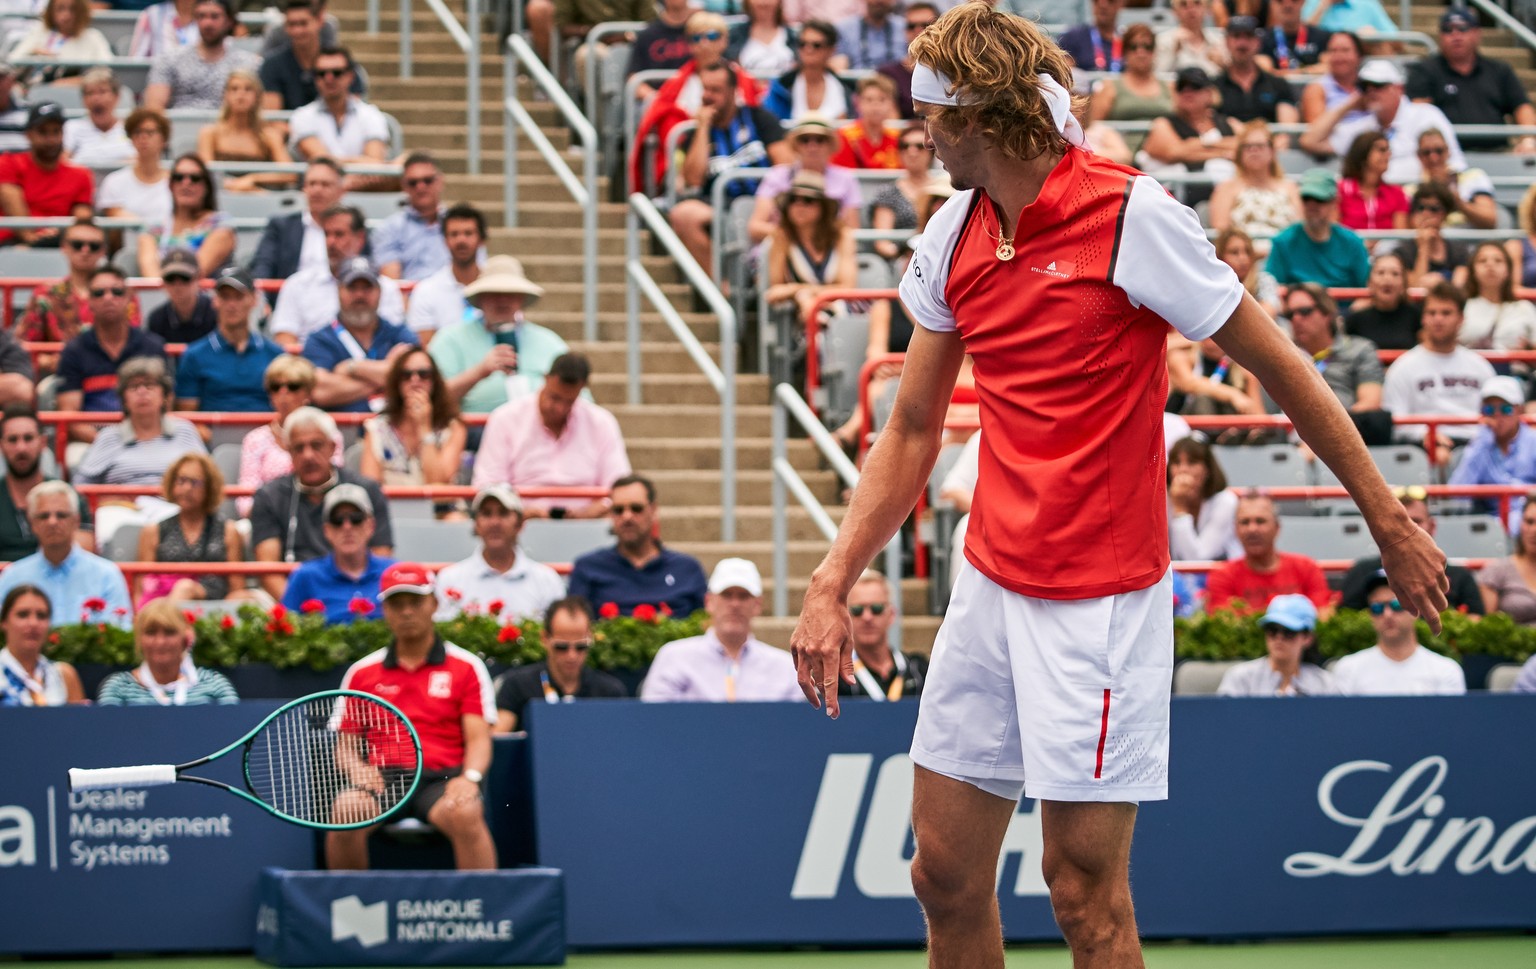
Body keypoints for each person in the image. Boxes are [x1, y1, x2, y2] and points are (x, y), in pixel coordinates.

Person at [790, 11, 1445, 969]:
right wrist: (830, 579)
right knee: (943, 875)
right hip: (990, 582)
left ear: (984, 116)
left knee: (1085, 897)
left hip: (1100, 601)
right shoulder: (951, 231)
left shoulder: (1134, 216)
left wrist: (1386, 517)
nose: (917, 132)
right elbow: (915, 427)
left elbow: (1284, 367)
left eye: (932, 112)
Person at [327, 562, 498, 871]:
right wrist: (357, 770)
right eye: (397, 604)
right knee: (345, 810)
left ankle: (481, 911)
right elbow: (345, 745)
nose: (407, 612)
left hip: (443, 778)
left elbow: (479, 739)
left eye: (415, 602)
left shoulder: (467, 666)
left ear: (434, 603)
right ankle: (348, 914)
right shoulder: (361, 673)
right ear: (385, 611)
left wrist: (469, 779)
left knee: (465, 811)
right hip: (383, 780)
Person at [250, 407, 393, 598]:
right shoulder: (268, 496)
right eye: (299, 448)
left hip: (358, 595)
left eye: (316, 445)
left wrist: (354, 606)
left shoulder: (367, 490)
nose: (307, 455)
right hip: (295, 598)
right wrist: (303, 611)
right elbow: (268, 570)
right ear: (288, 451)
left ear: (333, 447)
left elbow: (381, 555)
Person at [471, 353, 631, 518]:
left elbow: (620, 488)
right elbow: (488, 486)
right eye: (555, 398)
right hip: (518, 524)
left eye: (569, 401)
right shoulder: (505, 419)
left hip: (589, 523)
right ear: (546, 379)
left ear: (581, 390)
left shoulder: (601, 422)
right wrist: (521, 513)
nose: (560, 408)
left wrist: (596, 509)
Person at [662, 61, 788, 270]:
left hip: (765, 204)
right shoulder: (695, 132)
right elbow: (693, 180)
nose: (708, 96)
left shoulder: (759, 118)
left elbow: (786, 165)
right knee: (683, 215)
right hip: (720, 206)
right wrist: (703, 128)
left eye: (716, 90)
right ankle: (722, 291)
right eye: (705, 89)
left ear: (732, 91)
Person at [643, 557, 800, 701]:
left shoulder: (785, 668)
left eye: (743, 596)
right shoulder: (673, 658)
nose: (735, 604)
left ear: (757, 605)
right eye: (726, 595)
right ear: (709, 601)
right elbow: (654, 720)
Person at [430, 255, 569, 415]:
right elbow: (431, 398)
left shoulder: (549, 343)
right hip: (472, 434)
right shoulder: (450, 340)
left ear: (521, 298)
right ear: (480, 298)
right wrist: (479, 373)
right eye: (494, 293)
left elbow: (579, 396)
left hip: (540, 432)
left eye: (510, 293)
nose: (502, 300)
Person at [1301, 59, 1464, 185]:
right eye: (1365, 87)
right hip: (1376, 204)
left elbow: (1455, 165)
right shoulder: (1363, 126)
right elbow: (1310, 141)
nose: (1371, 92)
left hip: (1420, 196)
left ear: (1398, 89)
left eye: (1378, 86)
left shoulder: (1427, 115)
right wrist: (1349, 104)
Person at [13, 219, 142, 377]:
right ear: (64, 247)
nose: (85, 250)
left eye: (93, 246)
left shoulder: (121, 293)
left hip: (110, 375)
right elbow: (22, 346)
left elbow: (133, 341)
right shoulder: (45, 294)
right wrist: (46, 360)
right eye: (77, 244)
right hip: (58, 377)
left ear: (103, 251)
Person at [566, 475, 707, 617]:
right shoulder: (588, 568)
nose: (627, 516)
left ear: (653, 510)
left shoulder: (687, 568)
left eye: (636, 508)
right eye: (618, 510)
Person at [1381, 282, 1496, 457]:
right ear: (1423, 318)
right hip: (1423, 447)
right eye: (1432, 313)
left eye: (1446, 313)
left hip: (1477, 447)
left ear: (1461, 319)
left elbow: (1495, 415)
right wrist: (1425, 435)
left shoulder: (1480, 366)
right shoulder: (1403, 367)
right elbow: (1396, 421)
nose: (1438, 319)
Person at [54, 268, 169, 440]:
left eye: (117, 291)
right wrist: (108, 444)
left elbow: (166, 405)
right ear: (89, 301)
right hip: (92, 441)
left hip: (148, 436)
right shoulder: (74, 351)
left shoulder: (153, 346)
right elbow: (71, 418)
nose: (108, 298)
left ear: (129, 297)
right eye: (99, 293)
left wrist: (138, 440)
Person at [1406, 7, 1536, 155]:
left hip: (1497, 152)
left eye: (1463, 28)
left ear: (1477, 33)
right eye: (1448, 29)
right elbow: (1418, 114)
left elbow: (1522, 106)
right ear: (1440, 35)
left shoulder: (1499, 70)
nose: (1456, 35)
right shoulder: (1424, 71)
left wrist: (1528, 140)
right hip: (1445, 156)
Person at [0, 481, 131, 626]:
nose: (52, 522)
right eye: (44, 516)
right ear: (32, 523)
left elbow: (120, 634)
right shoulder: (12, 577)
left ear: (76, 520)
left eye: (61, 515)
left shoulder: (107, 575)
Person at [270, 207, 406, 346]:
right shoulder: (297, 284)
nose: (331, 242)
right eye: (326, 234)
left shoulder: (387, 288)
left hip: (374, 362)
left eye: (339, 234)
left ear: (360, 238)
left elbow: (394, 340)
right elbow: (284, 340)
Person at [1339, 486, 1486, 613]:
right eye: (1400, 522)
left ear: (1432, 526)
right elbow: (1345, 625)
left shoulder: (1461, 577)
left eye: (1416, 521)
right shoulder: (1360, 572)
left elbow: (1476, 623)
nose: (1408, 530)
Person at [433, 485, 566, 624]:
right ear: (475, 524)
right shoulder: (449, 579)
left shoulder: (547, 580)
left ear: (520, 523)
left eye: (503, 513)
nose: (494, 522)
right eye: (486, 513)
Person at [493, 596, 627, 732]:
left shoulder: (609, 692)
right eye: (561, 647)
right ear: (545, 639)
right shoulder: (517, 685)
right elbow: (499, 738)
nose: (572, 655)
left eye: (581, 647)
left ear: (590, 639)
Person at [303, 257, 420, 413]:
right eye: (352, 288)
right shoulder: (319, 339)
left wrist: (352, 367)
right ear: (338, 291)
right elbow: (319, 392)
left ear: (380, 291)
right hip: (340, 432)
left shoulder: (399, 333)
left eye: (367, 288)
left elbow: (416, 378)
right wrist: (389, 379)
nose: (360, 295)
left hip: (395, 430)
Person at [74, 356, 207, 487]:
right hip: (122, 507)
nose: (142, 392)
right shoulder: (109, 437)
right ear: (123, 400)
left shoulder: (185, 430)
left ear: (165, 396)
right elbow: (81, 485)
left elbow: (207, 478)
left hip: (178, 506)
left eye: (149, 386)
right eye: (133, 387)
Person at [136, 452, 247, 604]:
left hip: (214, 610)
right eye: (181, 480)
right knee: (184, 588)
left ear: (209, 487)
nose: (187, 488)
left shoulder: (228, 531)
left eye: (195, 482)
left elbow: (237, 588)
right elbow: (141, 589)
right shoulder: (154, 531)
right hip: (165, 611)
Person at [236, 355, 342, 514]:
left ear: (308, 392)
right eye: (275, 387)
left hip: (319, 516)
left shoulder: (329, 434)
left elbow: (334, 484)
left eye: (293, 386)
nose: (283, 393)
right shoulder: (255, 439)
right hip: (267, 518)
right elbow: (245, 501)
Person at [1276, 283, 1386, 434]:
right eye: (1290, 314)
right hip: (1289, 443)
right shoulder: (1283, 356)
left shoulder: (1360, 350)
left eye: (1305, 311)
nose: (1296, 319)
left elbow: (1370, 403)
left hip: (1347, 436)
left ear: (1327, 312)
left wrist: (1322, 434)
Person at [1335, 572, 1467, 695]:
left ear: (1417, 608)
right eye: (1377, 607)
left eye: (1397, 605)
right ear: (1370, 614)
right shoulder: (1348, 669)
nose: (1387, 614)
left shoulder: (1446, 670)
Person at [174, 265, 284, 412]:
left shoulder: (275, 355)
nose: (231, 305)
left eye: (239, 297)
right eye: (225, 297)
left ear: (254, 299)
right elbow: (188, 418)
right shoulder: (193, 356)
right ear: (215, 301)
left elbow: (286, 410)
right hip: (212, 434)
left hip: (264, 432)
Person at [281, 484, 395, 624]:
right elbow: (284, 630)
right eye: (337, 520)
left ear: (370, 526)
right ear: (326, 530)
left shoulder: (393, 573)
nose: (347, 527)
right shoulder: (305, 576)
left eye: (356, 518)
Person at [359, 349, 466, 492]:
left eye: (424, 374)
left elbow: (439, 486)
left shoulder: (453, 427)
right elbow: (371, 488)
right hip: (392, 510)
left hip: (440, 511)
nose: (415, 381)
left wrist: (424, 427)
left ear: (435, 381)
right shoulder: (376, 428)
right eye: (406, 375)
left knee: (455, 516)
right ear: (397, 382)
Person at [1205, 493, 1333, 614]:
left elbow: (1322, 617)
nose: (1252, 529)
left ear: (1277, 527)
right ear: (1235, 530)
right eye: (1245, 522)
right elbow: (1223, 625)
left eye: (1260, 521)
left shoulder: (1307, 568)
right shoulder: (1222, 576)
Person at [96, 600, 240, 705]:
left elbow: (236, 735)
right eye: (151, 633)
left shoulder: (215, 684)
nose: (160, 642)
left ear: (185, 638)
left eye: (169, 633)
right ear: (139, 638)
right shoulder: (118, 687)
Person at [748, 114, 863, 243]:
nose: (812, 146)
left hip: (831, 250)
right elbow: (755, 227)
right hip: (783, 247)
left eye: (820, 140)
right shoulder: (777, 176)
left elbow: (852, 230)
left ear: (830, 144)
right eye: (805, 139)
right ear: (796, 145)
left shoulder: (846, 178)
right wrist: (796, 238)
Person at [762, 171, 858, 324]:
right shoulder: (781, 237)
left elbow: (848, 288)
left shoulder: (842, 236)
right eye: (793, 200)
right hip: (801, 315)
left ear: (823, 207)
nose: (799, 206)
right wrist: (804, 296)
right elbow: (775, 290)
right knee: (809, 308)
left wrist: (802, 291)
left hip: (842, 309)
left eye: (808, 200)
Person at [287, 47, 390, 182]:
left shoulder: (372, 114)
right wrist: (360, 162)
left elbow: (375, 166)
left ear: (351, 76)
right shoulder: (301, 116)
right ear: (315, 78)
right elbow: (322, 163)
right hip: (321, 191)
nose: (329, 78)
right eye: (321, 73)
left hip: (363, 190)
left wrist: (339, 164)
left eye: (337, 73)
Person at [0, 405, 90, 562]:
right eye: (13, 439)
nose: (21, 447)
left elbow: (81, 555)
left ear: (42, 442)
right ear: (1, 445)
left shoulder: (67, 497)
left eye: (28, 438)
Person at [1138, 67, 1238, 207]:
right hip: (1171, 202)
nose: (1187, 93)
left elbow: (1243, 144)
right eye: (1181, 88)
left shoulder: (1227, 123)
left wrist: (1195, 145)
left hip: (1219, 199)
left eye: (1195, 87)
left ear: (1209, 93)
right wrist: (1222, 151)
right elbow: (1174, 152)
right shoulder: (1163, 124)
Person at [1448, 376, 1536, 532]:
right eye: (1489, 410)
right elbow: (1457, 496)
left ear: (1519, 410)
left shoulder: (1533, 441)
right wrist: (1480, 445)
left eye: (1505, 409)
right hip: (1491, 525)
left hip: (1531, 520)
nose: (1497, 416)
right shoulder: (1479, 445)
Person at [0, 103, 94, 247]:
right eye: (43, 132)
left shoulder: (80, 175)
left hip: (61, 243)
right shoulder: (8, 163)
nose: (51, 139)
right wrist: (32, 238)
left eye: (56, 131)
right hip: (13, 242)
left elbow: (82, 216)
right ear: (29, 135)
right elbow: (11, 202)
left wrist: (59, 235)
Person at [142, 0, 262, 112]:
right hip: (178, 129)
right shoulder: (169, 59)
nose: (207, 23)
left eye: (215, 16)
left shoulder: (247, 64)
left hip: (228, 129)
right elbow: (154, 108)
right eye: (201, 16)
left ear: (229, 21)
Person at [1264, 168, 1371, 288]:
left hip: (1344, 307)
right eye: (1306, 198)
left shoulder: (1353, 242)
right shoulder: (1283, 242)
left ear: (1334, 202)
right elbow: (1272, 292)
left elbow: (1366, 291)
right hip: (1298, 306)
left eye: (1319, 199)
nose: (1312, 205)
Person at [248, 157, 350, 281]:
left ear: (341, 191)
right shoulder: (281, 227)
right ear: (304, 189)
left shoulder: (353, 229)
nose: (317, 190)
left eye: (325, 184)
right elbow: (262, 269)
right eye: (312, 183)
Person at [1216, 594, 1337, 696]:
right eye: (1272, 630)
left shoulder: (1324, 683)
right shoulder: (1241, 678)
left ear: (1307, 638)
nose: (1279, 637)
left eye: (1288, 631)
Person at [138, 154, 235, 278]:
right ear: (171, 185)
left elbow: (194, 274)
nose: (186, 183)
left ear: (206, 186)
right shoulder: (152, 229)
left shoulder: (221, 226)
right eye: (178, 177)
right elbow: (151, 277)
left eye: (195, 178)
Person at [196, 70, 294, 192]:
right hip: (221, 196)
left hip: (258, 197)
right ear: (225, 95)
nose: (241, 94)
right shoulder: (210, 133)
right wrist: (232, 185)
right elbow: (204, 173)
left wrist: (253, 179)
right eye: (234, 89)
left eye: (248, 89)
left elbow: (290, 174)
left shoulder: (269, 135)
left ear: (257, 96)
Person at [1207, 120, 1301, 245]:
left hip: (1284, 255)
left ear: (1272, 151)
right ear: (1240, 153)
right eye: (1247, 146)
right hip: (1243, 258)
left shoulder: (1290, 187)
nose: (1254, 150)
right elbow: (1223, 234)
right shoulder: (1226, 188)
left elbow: (1299, 229)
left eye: (1260, 146)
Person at [838, 571, 927, 700]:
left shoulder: (918, 670)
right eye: (857, 610)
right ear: (846, 617)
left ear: (891, 615)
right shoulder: (835, 678)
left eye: (876, 608)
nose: (867, 617)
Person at [260, 0, 361, 111]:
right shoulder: (272, 65)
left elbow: (353, 112)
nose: (297, 30)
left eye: (303, 23)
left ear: (320, 21)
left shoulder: (341, 64)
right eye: (291, 24)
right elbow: (272, 119)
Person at [1087, 23, 1169, 159]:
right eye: (1133, 47)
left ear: (1154, 52)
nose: (1141, 52)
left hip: (1164, 156)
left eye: (1147, 47)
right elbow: (1094, 129)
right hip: (1123, 157)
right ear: (1124, 52)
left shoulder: (1169, 86)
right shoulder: (1110, 86)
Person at [406, 202, 485, 341]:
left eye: (468, 233)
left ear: (481, 240)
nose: (461, 240)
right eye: (454, 234)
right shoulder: (426, 291)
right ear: (445, 240)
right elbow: (428, 352)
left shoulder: (499, 288)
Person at [868, 121, 944, 261]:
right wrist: (908, 255)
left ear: (932, 151)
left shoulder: (944, 189)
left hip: (941, 256)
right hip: (901, 261)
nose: (912, 152)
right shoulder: (888, 193)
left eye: (919, 146)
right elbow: (882, 243)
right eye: (905, 146)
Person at [375, 152, 454, 281]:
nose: (420, 187)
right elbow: (391, 283)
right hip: (408, 296)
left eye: (427, 180)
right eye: (413, 182)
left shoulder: (459, 225)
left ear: (440, 181)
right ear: (404, 186)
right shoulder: (389, 228)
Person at [0, 586, 84, 705]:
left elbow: (80, 723)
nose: (33, 623)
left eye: (41, 616)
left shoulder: (64, 675)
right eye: (23, 614)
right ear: (4, 622)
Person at [763, 19, 856, 123]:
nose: (808, 49)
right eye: (803, 44)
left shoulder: (847, 89)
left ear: (831, 50)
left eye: (816, 45)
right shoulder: (781, 86)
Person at [96, 108, 174, 229]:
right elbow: (113, 214)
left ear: (164, 139)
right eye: (137, 132)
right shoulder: (114, 181)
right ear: (131, 138)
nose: (143, 138)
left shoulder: (178, 182)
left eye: (150, 132)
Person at [1214, 15, 1298, 127]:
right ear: (1226, 42)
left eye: (1248, 36)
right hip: (1228, 143)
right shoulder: (1214, 86)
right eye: (1236, 36)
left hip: (1270, 143)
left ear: (1258, 42)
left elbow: (1287, 130)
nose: (1242, 43)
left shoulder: (1277, 84)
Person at [1166, 437, 1242, 561]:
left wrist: (1180, 509)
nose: (1182, 469)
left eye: (1191, 462)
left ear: (1207, 469)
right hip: (1176, 577)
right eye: (1176, 463)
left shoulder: (1226, 502)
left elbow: (1196, 559)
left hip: (1218, 575)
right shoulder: (1162, 499)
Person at [1387, 181, 1469, 289]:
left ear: (1445, 214)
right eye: (1420, 207)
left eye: (1434, 209)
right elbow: (1414, 289)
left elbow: (1459, 287)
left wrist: (1439, 285)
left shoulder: (1458, 250)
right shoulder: (1403, 251)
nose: (1426, 213)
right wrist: (1424, 247)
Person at [1413, 127, 1497, 230]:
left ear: (1448, 151)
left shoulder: (1473, 177)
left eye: (1439, 151)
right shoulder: (1412, 190)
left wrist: (1457, 202)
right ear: (1418, 156)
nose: (1433, 157)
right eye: (1426, 152)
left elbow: (1490, 220)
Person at [9, 0, 112, 83]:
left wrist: (74, 81)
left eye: (72, 9)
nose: (66, 15)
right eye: (60, 9)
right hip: (34, 87)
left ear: (82, 12)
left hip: (77, 93)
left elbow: (107, 71)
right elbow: (13, 61)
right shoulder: (39, 32)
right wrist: (33, 53)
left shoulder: (93, 37)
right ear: (51, 11)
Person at [1462, 242, 1536, 352]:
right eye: (1482, 261)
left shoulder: (1524, 308)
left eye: (1498, 261)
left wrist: (1529, 351)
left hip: (1516, 368)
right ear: (1472, 270)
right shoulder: (1461, 306)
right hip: (1469, 368)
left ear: (1508, 270)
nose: (1490, 265)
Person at [1342, 250, 1419, 350]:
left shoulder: (1416, 317)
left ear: (1403, 284)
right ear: (1369, 282)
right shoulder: (1355, 319)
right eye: (1380, 272)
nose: (1387, 279)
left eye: (1395, 274)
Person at [625, 0, 698, 102]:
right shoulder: (647, 35)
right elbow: (633, 78)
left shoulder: (701, 33)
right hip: (657, 100)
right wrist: (655, 98)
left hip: (696, 97)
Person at [1335, 130, 1408, 232]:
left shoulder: (1397, 193)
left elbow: (1401, 236)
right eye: (1382, 150)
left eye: (1388, 150)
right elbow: (1333, 231)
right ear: (1363, 153)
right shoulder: (1340, 190)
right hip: (1350, 246)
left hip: (1387, 247)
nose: (1388, 154)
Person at [876, 3, 939, 118]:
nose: (918, 30)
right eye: (911, 26)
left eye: (926, 25)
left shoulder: (951, 71)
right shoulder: (887, 74)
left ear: (940, 28)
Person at [1479, 497, 1536, 624]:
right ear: (1521, 524)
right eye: (1529, 522)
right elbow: (1487, 627)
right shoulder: (1496, 572)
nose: (1534, 530)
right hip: (1512, 643)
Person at [62, 69, 133, 168]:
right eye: (90, 93)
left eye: (102, 92)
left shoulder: (131, 128)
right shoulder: (72, 127)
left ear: (117, 96)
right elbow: (62, 163)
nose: (96, 98)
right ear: (83, 99)